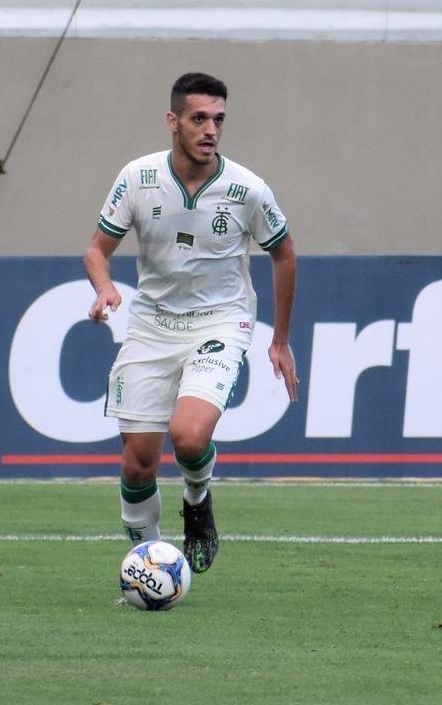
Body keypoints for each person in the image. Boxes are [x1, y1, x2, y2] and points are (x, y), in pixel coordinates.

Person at [83, 71, 299, 574]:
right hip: (152, 325)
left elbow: (284, 255)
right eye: (199, 118)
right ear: (172, 121)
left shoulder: (247, 189)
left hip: (220, 324)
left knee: (189, 436)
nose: (210, 130)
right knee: (137, 464)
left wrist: (280, 341)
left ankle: (197, 498)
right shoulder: (137, 178)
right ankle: (150, 566)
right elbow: (97, 249)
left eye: (218, 120)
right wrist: (105, 287)